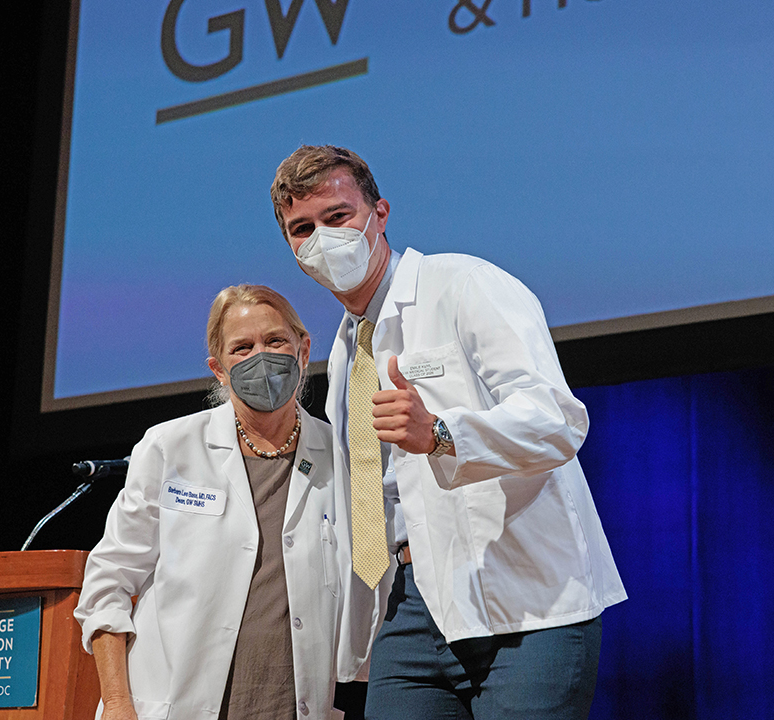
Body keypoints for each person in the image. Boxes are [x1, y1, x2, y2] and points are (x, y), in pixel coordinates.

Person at [271, 146, 627, 719]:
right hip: (408, 606)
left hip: (525, 600)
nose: (322, 240)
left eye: (337, 217)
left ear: (379, 213)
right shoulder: (342, 352)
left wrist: (439, 432)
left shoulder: (464, 285)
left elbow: (557, 421)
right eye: (302, 229)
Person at [74, 285, 372, 720]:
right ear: (219, 368)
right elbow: (107, 585)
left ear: (304, 350)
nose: (261, 357)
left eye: (274, 342)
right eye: (242, 348)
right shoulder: (169, 447)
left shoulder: (340, 457)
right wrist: (119, 704)